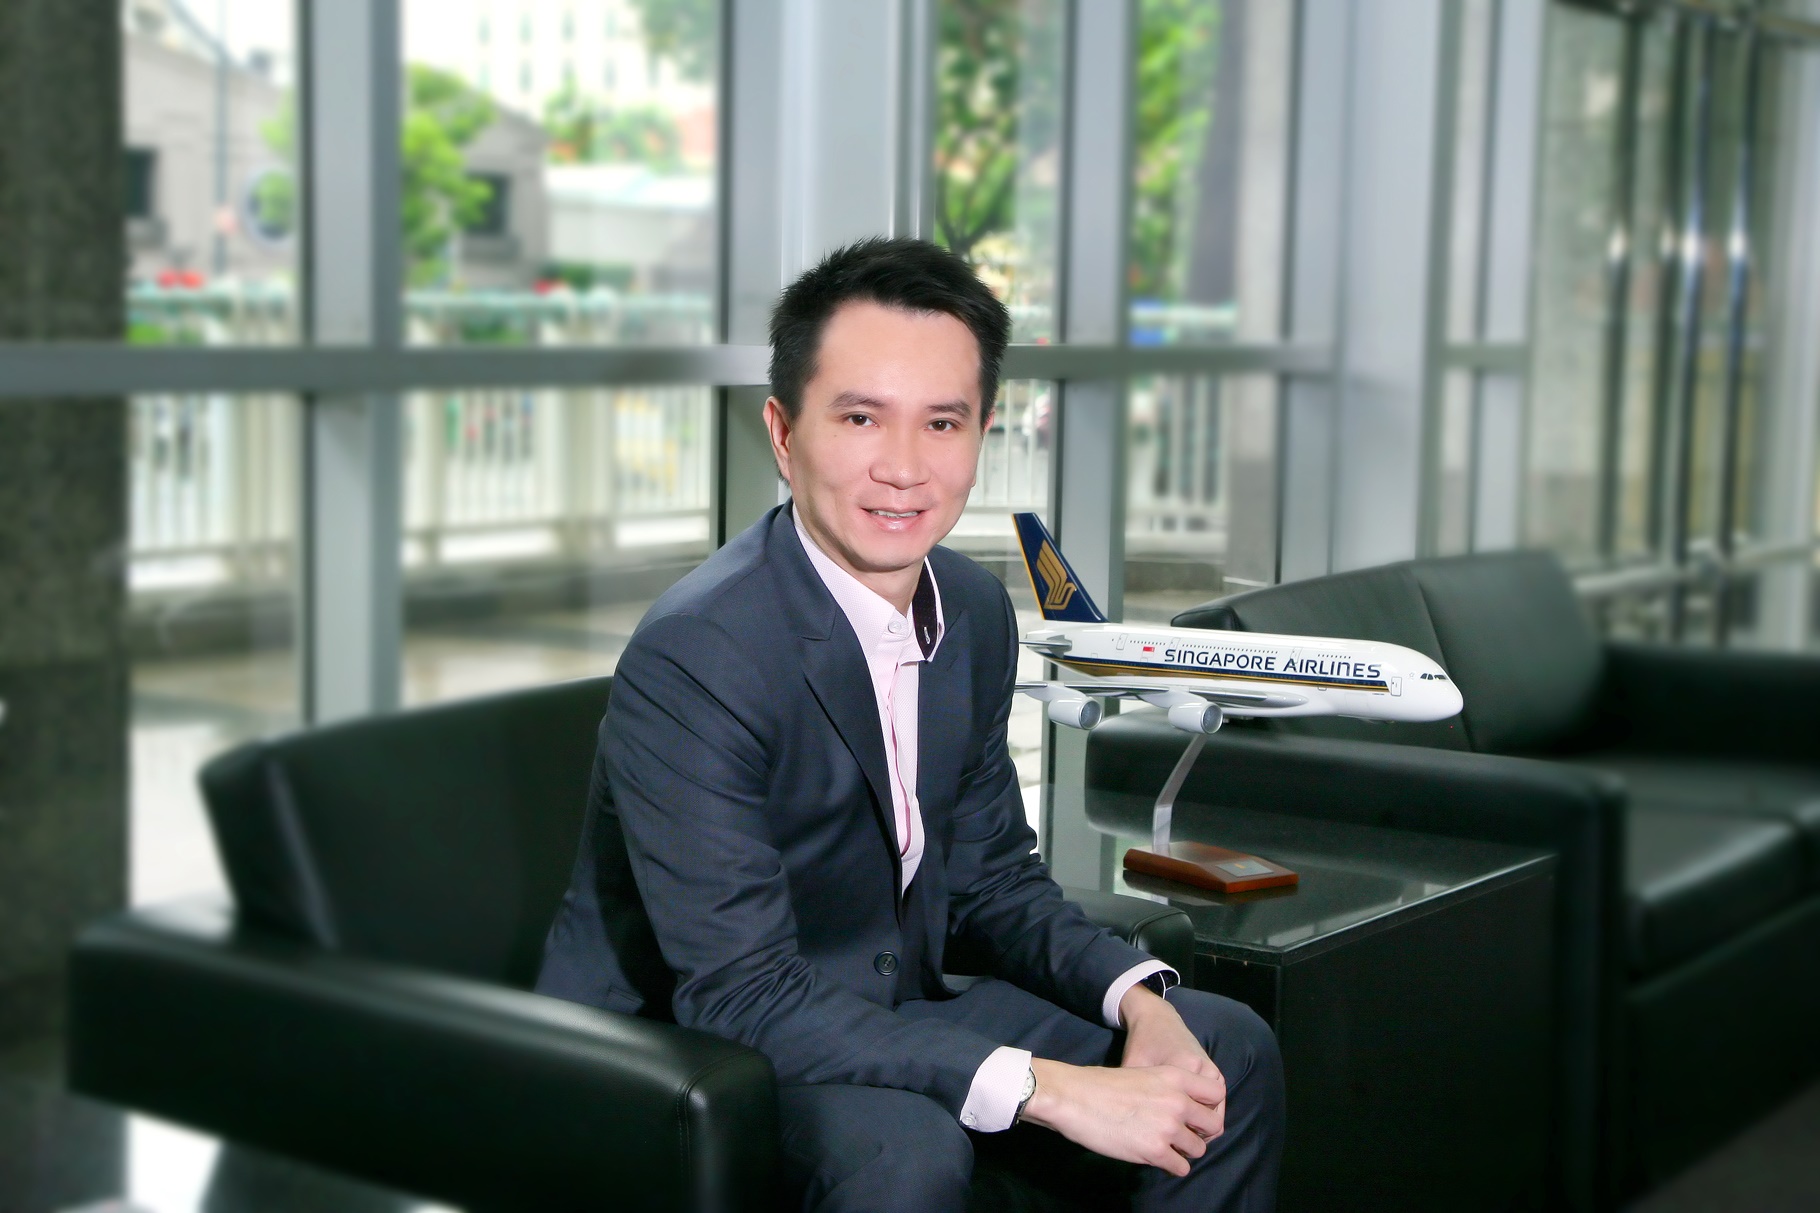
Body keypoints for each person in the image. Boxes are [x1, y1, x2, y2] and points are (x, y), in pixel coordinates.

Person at [536, 237, 1284, 1211]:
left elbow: (991, 876)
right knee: (903, 1151)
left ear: (982, 434)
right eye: (859, 417)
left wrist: (1140, 1000)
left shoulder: (970, 608)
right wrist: (1051, 1088)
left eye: (941, 422)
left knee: (1222, 1048)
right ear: (782, 432)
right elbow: (740, 989)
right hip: (694, 1046)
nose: (903, 468)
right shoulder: (701, 650)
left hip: (886, 1001)